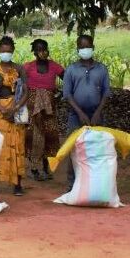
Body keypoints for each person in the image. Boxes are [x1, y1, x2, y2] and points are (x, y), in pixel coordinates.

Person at [63, 35, 110, 190]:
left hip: (97, 114)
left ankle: (95, 182)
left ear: (93, 47)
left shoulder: (102, 69)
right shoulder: (71, 69)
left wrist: (97, 112)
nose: (85, 50)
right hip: (76, 115)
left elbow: (105, 93)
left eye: (87, 46)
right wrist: (80, 113)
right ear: (77, 49)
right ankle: (72, 184)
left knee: (97, 149)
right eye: (82, 47)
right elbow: (67, 95)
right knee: (74, 148)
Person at [0, 36, 29, 196]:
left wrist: (16, 108)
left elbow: (26, 92)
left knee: (18, 145)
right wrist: (1, 109)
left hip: (16, 110)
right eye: (3, 51)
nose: (6, 53)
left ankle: (18, 184)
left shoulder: (19, 69)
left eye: (9, 51)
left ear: (13, 51)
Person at [22, 39, 64, 181]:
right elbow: (17, 83)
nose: (43, 52)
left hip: (49, 109)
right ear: (34, 52)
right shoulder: (28, 67)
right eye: (39, 49)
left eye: (44, 49)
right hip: (33, 109)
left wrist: (61, 94)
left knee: (49, 136)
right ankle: (33, 169)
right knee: (33, 137)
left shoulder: (54, 67)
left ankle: (46, 168)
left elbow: (68, 78)